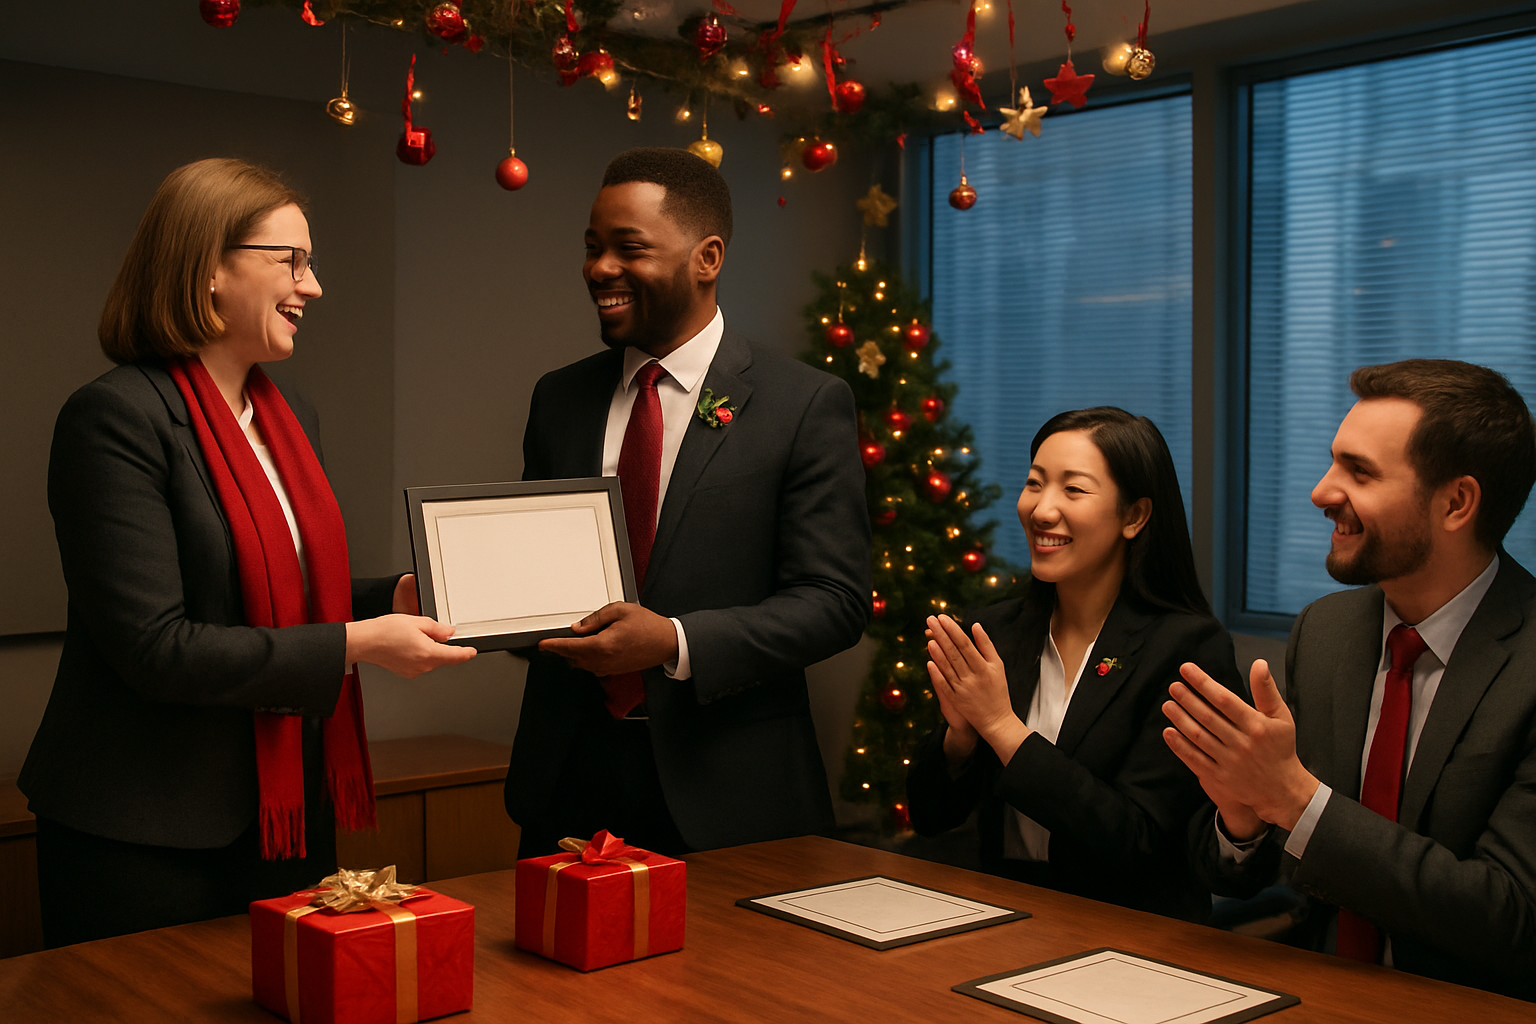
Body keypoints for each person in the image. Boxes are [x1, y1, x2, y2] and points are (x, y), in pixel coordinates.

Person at [19, 158, 475, 947]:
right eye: (291, 261)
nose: (315, 286)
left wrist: (385, 600)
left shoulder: (287, 410)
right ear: (207, 272)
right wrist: (357, 645)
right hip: (144, 832)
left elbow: (274, 589)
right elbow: (155, 647)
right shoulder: (113, 419)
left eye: (312, 263)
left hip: (283, 819)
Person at [505, 148, 871, 857]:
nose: (599, 269)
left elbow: (833, 601)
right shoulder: (561, 398)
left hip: (729, 794)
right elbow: (538, 573)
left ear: (707, 258)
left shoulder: (803, 404)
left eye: (627, 248)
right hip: (568, 783)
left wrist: (673, 643)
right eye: (591, 248)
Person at [1164, 359, 1536, 1000]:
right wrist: (1242, 819)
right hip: (1314, 993)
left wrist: (1294, 800)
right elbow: (1257, 873)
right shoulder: (1327, 631)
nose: (1321, 491)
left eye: (1358, 471)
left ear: (1456, 503)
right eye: (1334, 462)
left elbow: (1511, 918)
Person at [907, 407, 1244, 921]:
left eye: (1073, 490)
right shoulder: (994, 632)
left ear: (1134, 516)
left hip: (1132, 938)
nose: (1041, 510)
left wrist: (1001, 727)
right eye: (1034, 484)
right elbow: (930, 817)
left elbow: (1138, 841)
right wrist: (960, 740)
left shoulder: (1187, 650)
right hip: (1004, 915)